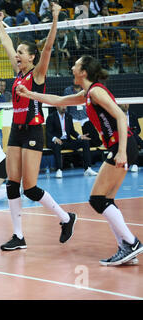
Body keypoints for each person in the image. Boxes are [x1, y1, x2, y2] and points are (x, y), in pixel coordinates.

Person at [16, 55, 143, 266]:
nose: (72, 66)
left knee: (97, 199)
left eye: (76, 64)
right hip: (119, 146)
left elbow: (121, 117)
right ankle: (126, 247)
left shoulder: (96, 91)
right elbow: (57, 100)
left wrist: (121, 151)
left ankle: (131, 242)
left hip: (123, 145)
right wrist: (29, 94)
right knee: (105, 200)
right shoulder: (88, 94)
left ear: (83, 71)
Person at [0, 3, 77, 252]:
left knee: (29, 188)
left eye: (21, 52)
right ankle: (18, 236)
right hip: (16, 131)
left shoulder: (36, 75)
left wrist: (54, 18)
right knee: (11, 184)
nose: (16, 55)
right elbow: (7, 45)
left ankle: (66, 218)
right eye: (16, 53)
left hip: (32, 131)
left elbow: (49, 47)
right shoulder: (17, 73)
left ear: (31, 57)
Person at [46, 106, 98, 178]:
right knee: (57, 145)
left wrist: (80, 136)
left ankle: (87, 168)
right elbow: (48, 132)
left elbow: (72, 131)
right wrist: (55, 138)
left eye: (65, 106)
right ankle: (59, 170)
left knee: (85, 142)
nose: (64, 107)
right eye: (62, 106)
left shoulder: (68, 116)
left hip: (67, 141)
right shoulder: (51, 117)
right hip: (57, 141)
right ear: (57, 107)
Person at [64, 82, 102, 148]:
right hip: (74, 118)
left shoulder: (86, 89)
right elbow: (66, 105)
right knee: (74, 134)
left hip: (85, 117)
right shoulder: (68, 90)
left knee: (90, 129)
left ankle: (97, 144)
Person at [119, 103, 142, 172]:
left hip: (131, 135)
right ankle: (135, 164)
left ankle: (135, 165)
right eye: (124, 104)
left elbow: (138, 129)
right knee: (135, 139)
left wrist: (133, 131)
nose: (126, 105)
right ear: (120, 105)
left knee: (133, 138)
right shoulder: (116, 115)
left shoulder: (133, 115)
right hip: (120, 136)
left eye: (127, 104)